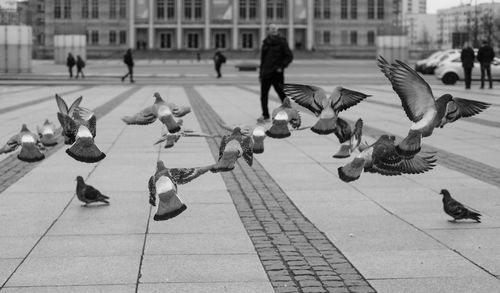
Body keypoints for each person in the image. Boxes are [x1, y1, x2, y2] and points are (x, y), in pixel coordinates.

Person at [258, 23, 293, 123]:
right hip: (266, 72)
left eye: (275, 28)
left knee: (281, 94)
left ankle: (290, 113)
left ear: (277, 30)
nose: (273, 30)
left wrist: (281, 67)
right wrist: (261, 73)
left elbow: (289, 56)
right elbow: (263, 59)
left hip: (277, 73)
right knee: (263, 95)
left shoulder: (282, 42)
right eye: (271, 29)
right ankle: (265, 115)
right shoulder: (265, 42)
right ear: (268, 31)